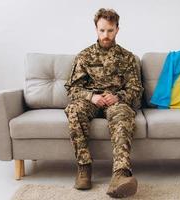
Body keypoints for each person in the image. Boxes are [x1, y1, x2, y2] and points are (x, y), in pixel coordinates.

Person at [64, 8, 143, 198]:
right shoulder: (84, 56)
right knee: (74, 109)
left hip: (116, 102)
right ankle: (84, 168)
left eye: (109, 30)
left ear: (117, 29)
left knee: (124, 114)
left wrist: (119, 97)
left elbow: (136, 89)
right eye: (102, 30)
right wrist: (91, 97)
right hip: (91, 100)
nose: (105, 35)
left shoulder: (128, 58)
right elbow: (72, 89)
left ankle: (120, 175)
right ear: (96, 30)